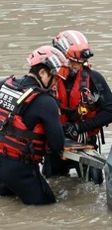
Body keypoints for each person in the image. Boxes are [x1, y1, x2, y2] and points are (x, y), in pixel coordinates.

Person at [42, 30, 112, 185]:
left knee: (94, 187)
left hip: (86, 144)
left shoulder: (94, 79)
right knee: (52, 186)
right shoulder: (46, 79)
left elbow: (111, 113)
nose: (78, 66)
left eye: (81, 61)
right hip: (55, 146)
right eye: (74, 61)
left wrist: (79, 127)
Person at [0, 45, 69, 205]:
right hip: (18, 168)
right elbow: (57, 145)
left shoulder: (4, 85)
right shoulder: (46, 101)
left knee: (7, 202)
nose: (56, 83)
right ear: (43, 73)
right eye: (55, 77)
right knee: (47, 206)